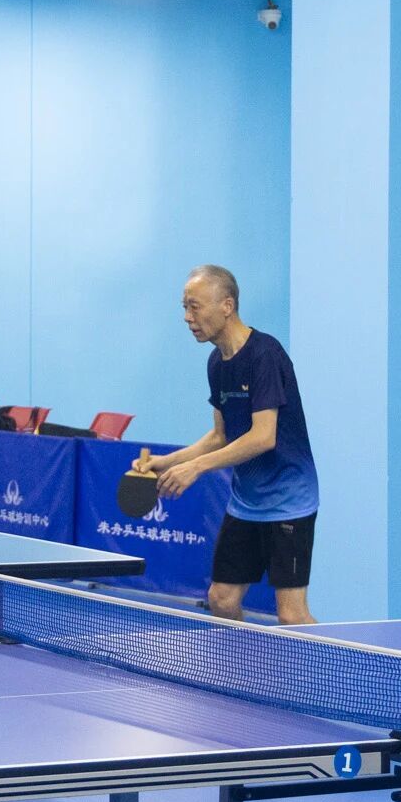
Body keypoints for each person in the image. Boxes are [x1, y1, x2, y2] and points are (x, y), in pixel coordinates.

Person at [132, 265, 320, 626]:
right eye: (184, 307)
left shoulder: (264, 354)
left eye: (195, 306)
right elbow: (220, 435)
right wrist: (167, 461)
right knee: (221, 599)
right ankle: (244, 662)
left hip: (289, 500)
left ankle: (333, 663)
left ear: (227, 306)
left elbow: (264, 436)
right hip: (246, 503)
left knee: (291, 615)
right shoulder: (217, 363)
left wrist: (197, 468)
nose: (187, 317)